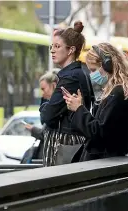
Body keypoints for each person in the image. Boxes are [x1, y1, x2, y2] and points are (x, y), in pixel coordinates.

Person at [63, 42, 128, 161]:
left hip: (104, 161)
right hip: (105, 159)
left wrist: (79, 109)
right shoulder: (116, 91)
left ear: (107, 65)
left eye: (93, 70)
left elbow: (99, 133)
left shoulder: (118, 93)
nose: (92, 74)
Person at [40, 21, 95, 166]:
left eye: (57, 46)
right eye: (52, 46)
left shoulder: (70, 77)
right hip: (73, 142)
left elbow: (48, 116)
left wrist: (44, 105)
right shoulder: (81, 72)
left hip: (63, 144)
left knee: (56, 186)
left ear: (70, 50)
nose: (52, 50)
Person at [22, 70, 59, 163]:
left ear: (54, 85)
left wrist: (33, 129)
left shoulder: (58, 109)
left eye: (43, 89)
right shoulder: (50, 105)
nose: (42, 93)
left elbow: (47, 132)